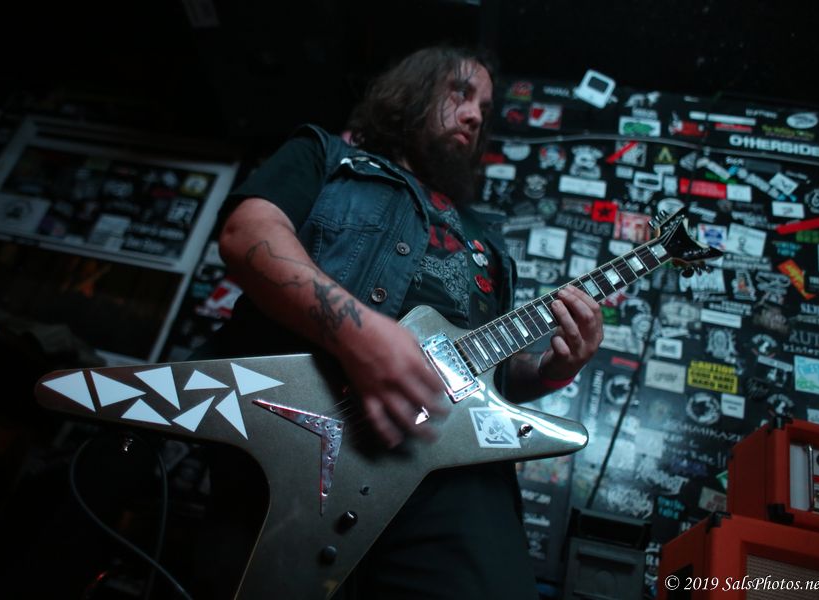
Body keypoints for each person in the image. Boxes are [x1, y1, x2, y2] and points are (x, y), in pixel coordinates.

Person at [204, 45, 604, 599]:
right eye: (460, 93)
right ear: (412, 91)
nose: (474, 116)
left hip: (454, 476)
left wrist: (553, 371)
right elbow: (247, 233)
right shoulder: (330, 157)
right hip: (300, 443)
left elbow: (490, 380)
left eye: (485, 110)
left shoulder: (488, 243)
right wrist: (359, 334)